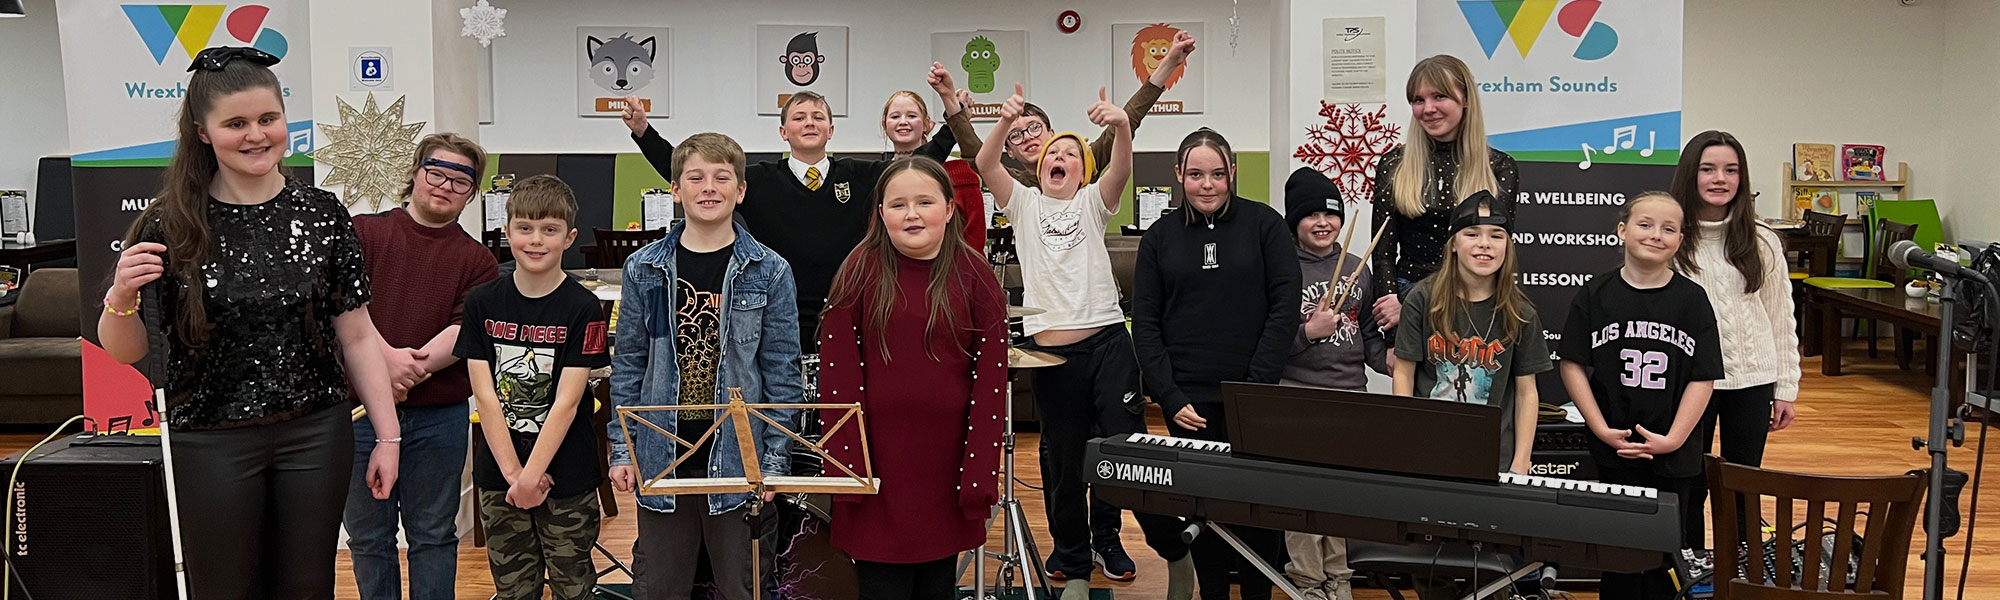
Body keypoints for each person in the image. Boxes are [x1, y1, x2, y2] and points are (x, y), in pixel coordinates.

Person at [99, 45, 401, 598]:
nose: (257, 134)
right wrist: (119, 295)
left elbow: (355, 334)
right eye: (236, 123)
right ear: (203, 131)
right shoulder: (169, 222)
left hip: (317, 432)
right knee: (225, 587)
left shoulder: (322, 213)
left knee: (307, 586)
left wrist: (388, 435)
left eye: (268, 119)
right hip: (209, 441)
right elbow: (124, 350)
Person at [975, 85, 1195, 600]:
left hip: (1107, 346)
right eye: (1054, 153)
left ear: (1083, 171)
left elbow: (1120, 166)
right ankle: (1074, 569)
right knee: (1065, 467)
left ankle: (1173, 548)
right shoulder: (1024, 203)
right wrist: (1005, 122)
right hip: (1052, 357)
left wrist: (1121, 124)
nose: (1061, 158)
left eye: (1072, 154)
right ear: (1040, 165)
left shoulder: (1094, 203)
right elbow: (986, 164)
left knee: (1127, 455)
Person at [605, 132, 803, 600]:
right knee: (659, 588)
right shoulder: (643, 268)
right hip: (661, 456)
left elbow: (782, 373)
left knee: (744, 587)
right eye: (695, 177)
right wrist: (621, 449)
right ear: (676, 189)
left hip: (739, 459)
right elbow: (629, 364)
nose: (708, 187)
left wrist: (773, 462)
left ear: (741, 191)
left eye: (722, 177)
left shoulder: (771, 271)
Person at [817, 157, 1008, 600]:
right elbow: (837, 378)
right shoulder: (857, 271)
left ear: (948, 208)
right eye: (898, 204)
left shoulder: (976, 275)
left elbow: (991, 385)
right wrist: (849, 470)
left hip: (947, 465)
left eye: (924, 201)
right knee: (882, 586)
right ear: (881, 214)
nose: (912, 213)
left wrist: (979, 470)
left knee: (936, 585)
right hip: (878, 465)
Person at [1132, 129, 1300, 600]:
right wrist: (1169, 394)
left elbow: (1284, 309)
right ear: (1179, 176)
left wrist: (1255, 388)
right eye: (1196, 174)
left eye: (1218, 174)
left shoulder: (1265, 225)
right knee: (1202, 511)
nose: (1207, 184)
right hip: (1189, 403)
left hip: (1252, 398)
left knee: (1256, 511)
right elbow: (1145, 323)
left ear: (1232, 174)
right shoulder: (1159, 238)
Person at [344, 133, 501, 600]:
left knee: (433, 535)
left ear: (472, 193)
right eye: (437, 172)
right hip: (358, 415)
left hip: (439, 417)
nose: (445, 185)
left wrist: (402, 371)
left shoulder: (479, 261)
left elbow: (462, 331)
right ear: (415, 173)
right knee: (369, 538)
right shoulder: (363, 232)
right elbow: (343, 309)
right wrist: (384, 364)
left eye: (461, 180)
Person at [1559, 192, 1723, 600]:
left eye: (1669, 229)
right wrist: (1600, 427)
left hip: (1674, 454)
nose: (1656, 235)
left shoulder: (1692, 300)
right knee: (1619, 558)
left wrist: (1675, 439)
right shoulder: (1596, 294)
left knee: (1668, 562)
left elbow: (1703, 378)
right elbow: (1572, 364)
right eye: (1645, 224)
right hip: (1615, 449)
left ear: (1681, 241)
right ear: (1622, 230)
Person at [456, 175, 611, 600]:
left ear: (569, 237)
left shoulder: (583, 307)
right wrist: (515, 476)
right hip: (498, 474)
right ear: (507, 232)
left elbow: (567, 402)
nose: (536, 239)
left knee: (572, 587)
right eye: (524, 228)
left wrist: (532, 475)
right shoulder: (481, 302)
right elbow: (484, 395)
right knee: (512, 590)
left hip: (568, 473)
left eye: (549, 229)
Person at [1391, 191, 1549, 599]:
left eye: (1496, 235)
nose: (1484, 244)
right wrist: (1406, 446)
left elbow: (1527, 392)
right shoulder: (1422, 299)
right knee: (1432, 569)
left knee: (1490, 572)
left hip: (1493, 458)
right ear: (1454, 243)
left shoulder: (1520, 312)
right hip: (1432, 455)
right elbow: (1404, 374)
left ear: (1508, 246)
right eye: (1473, 234)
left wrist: (1522, 461)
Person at [1668, 130, 1800, 556]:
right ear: (1691, 174)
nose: (1719, 178)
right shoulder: (1670, 238)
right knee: (1689, 483)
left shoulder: (1763, 241)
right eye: (1708, 169)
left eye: (1731, 170)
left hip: (1752, 379)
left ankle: (1743, 568)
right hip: (1691, 385)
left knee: (1744, 481)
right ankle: (1688, 566)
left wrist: (1786, 388)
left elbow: (1781, 318)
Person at [1277, 167, 1388, 600]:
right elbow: (1267, 347)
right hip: (1297, 396)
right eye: (1310, 216)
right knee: (1300, 496)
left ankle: (1340, 582)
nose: (1323, 223)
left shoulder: (1359, 269)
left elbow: (1370, 336)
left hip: (1350, 395)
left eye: (1331, 214)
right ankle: (1307, 584)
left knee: (1340, 496)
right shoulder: (1282, 269)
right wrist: (1308, 332)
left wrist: (1392, 361)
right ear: (1294, 222)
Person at [1369, 55, 1520, 331]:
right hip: (1406, 309)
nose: (1428, 109)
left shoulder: (1499, 167)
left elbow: (1497, 254)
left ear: (1466, 99)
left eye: (1440, 96)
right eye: (1418, 100)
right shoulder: (1394, 164)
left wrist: (1415, 301)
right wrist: (1392, 332)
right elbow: (1383, 254)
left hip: (1473, 305)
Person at [991, 31, 1194, 191]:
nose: (1027, 137)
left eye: (1034, 127)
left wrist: (1169, 64)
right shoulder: (1016, 189)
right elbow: (979, 160)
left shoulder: (1085, 166)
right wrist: (958, 113)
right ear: (1008, 150)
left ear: (1052, 134)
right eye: (1015, 135)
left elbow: (1128, 121)